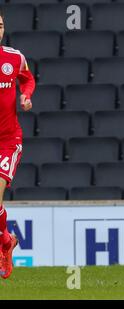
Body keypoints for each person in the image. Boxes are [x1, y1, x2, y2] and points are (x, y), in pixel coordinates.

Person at [0, 11, 35, 279]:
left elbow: (28, 78)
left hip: (8, 141)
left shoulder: (14, 57)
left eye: (0, 26)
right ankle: (6, 240)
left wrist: (25, 95)